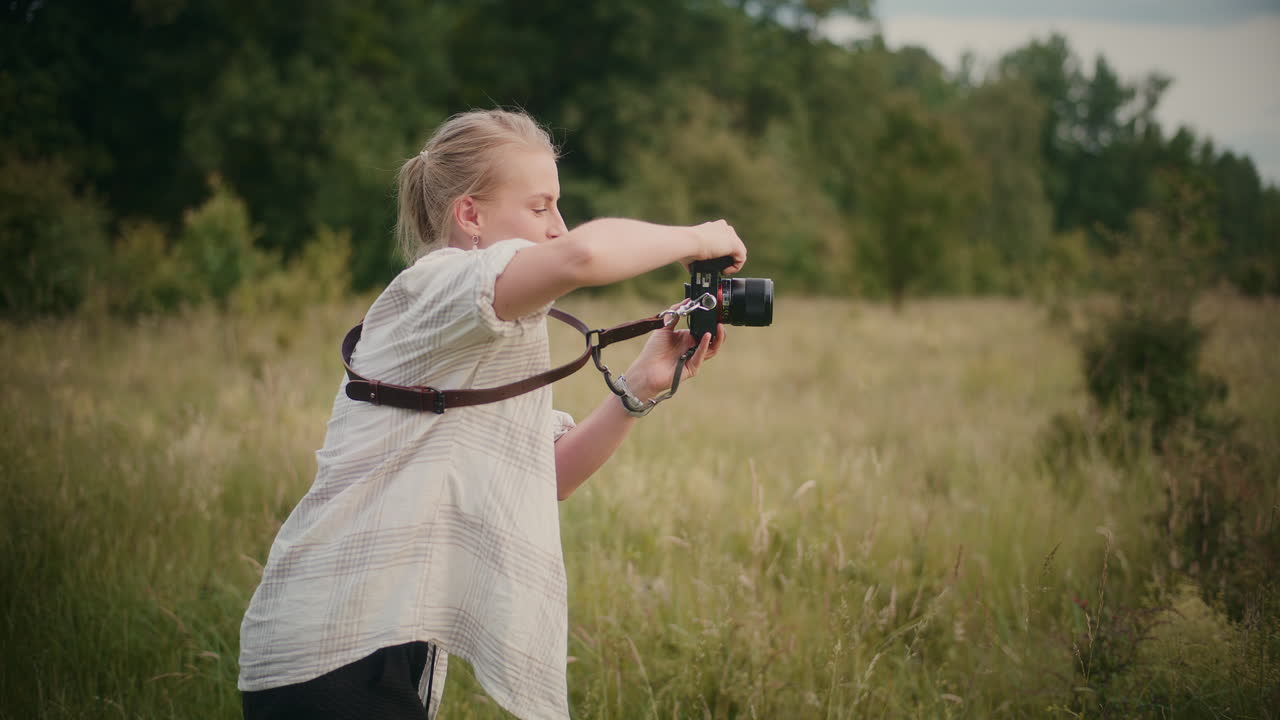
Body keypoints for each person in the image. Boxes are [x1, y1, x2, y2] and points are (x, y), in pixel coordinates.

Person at [237, 109, 747, 720]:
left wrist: (636, 388)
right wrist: (701, 236)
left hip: (385, 642)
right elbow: (583, 256)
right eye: (540, 208)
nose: (558, 227)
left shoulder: (487, 332)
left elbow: (546, 475)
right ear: (471, 216)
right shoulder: (437, 285)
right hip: (329, 645)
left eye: (559, 207)